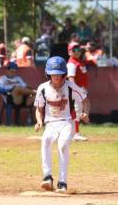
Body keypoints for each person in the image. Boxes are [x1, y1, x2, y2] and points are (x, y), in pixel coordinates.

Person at [34, 56, 88, 193]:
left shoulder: (70, 86)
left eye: (59, 74)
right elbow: (39, 109)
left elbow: (86, 100)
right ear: (48, 74)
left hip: (67, 122)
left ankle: (62, 182)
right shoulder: (43, 88)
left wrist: (86, 113)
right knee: (45, 140)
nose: (57, 77)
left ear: (64, 74)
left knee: (62, 145)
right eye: (53, 74)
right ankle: (47, 177)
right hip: (51, 123)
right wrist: (39, 121)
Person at [67, 43, 92, 141]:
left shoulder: (78, 62)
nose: (77, 52)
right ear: (69, 52)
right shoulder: (72, 63)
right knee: (76, 111)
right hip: (76, 90)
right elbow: (71, 78)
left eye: (78, 49)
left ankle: (74, 133)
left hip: (80, 89)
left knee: (78, 110)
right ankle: (75, 134)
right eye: (74, 50)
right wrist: (76, 91)